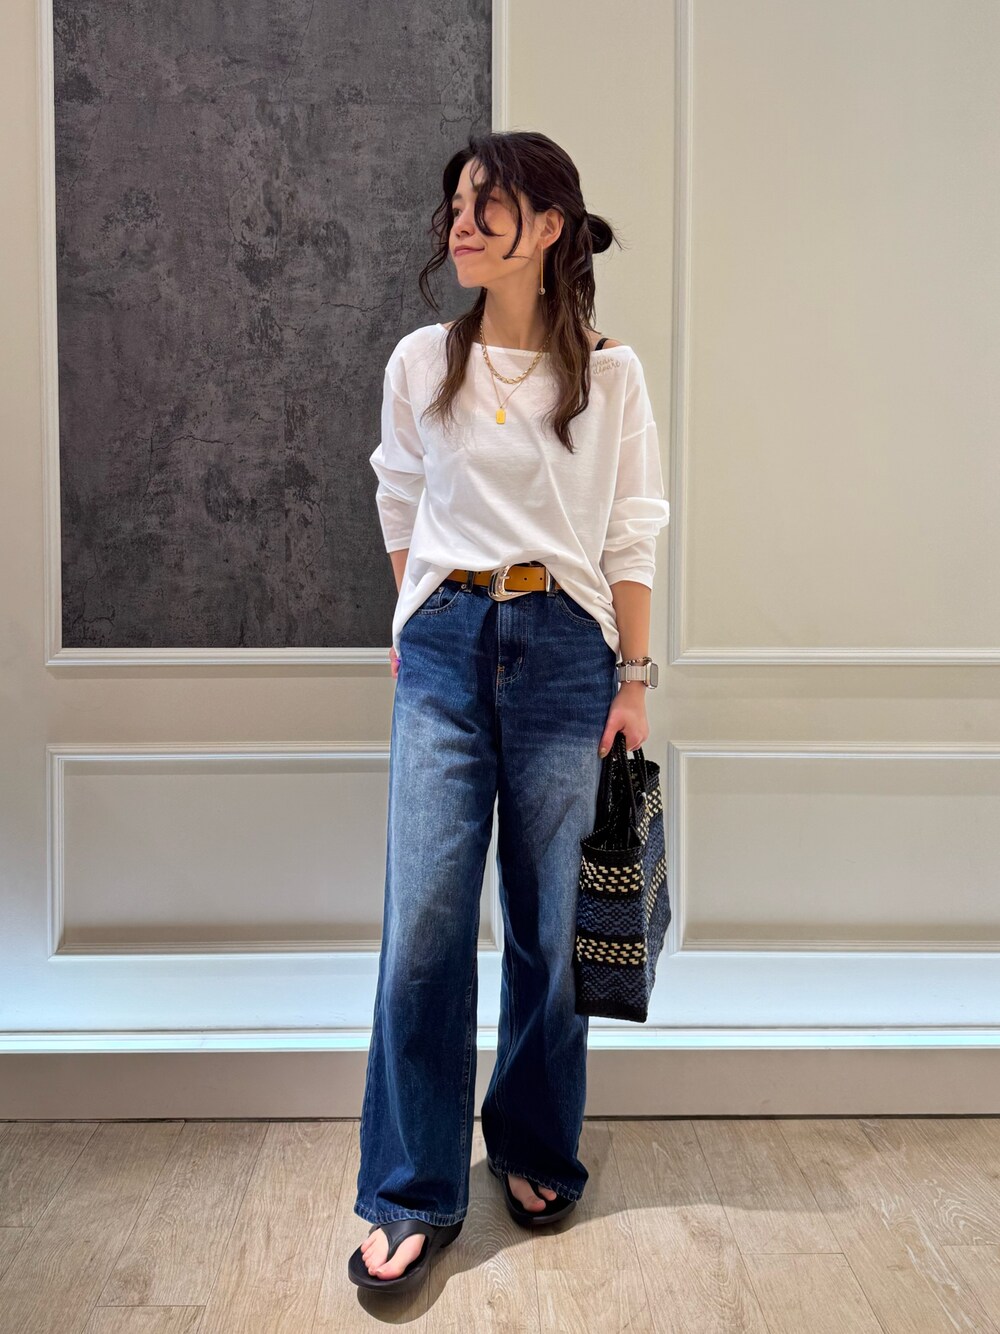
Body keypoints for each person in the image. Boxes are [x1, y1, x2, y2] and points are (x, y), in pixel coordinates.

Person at [348, 130, 669, 1293]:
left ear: (547, 226)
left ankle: (532, 1140)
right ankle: (409, 1187)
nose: (462, 223)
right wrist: (419, 615)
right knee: (424, 927)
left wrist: (635, 679)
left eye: (487, 205)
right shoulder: (422, 361)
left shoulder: (611, 374)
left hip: (569, 656)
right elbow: (397, 496)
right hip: (445, 649)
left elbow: (631, 528)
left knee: (547, 924)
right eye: (456, 205)